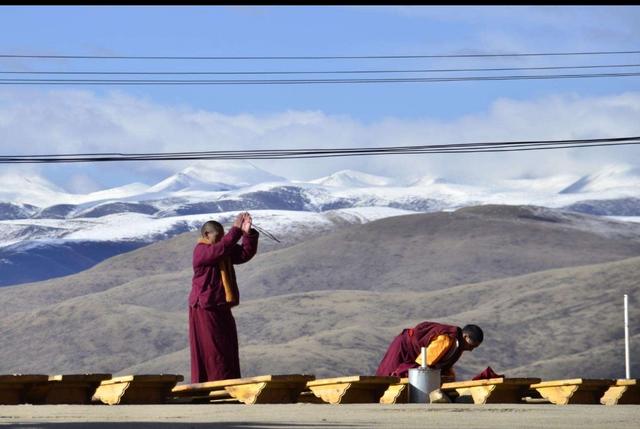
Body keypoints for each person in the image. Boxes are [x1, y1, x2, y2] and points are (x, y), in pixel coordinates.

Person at [189, 212, 259, 383]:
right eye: (218, 235)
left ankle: (230, 381)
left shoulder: (221, 248)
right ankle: (213, 384)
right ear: (207, 235)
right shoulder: (202, 250)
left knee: (227, 346)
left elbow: (244, 254)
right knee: (214, 349)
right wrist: (235, 230)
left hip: (221, 305)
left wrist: (247, 233)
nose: (222, 239)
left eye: (223, 236)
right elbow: (221, 249)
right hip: (205, 306)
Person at [375, 321, 483, 380]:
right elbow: (424, 363)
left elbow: (445, 366)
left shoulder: (458, 345)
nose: (471, 349)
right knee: (387, 375)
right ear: (465, 336)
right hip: (404, 346)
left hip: (415, 355)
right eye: (472, 345)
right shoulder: (446, 339)